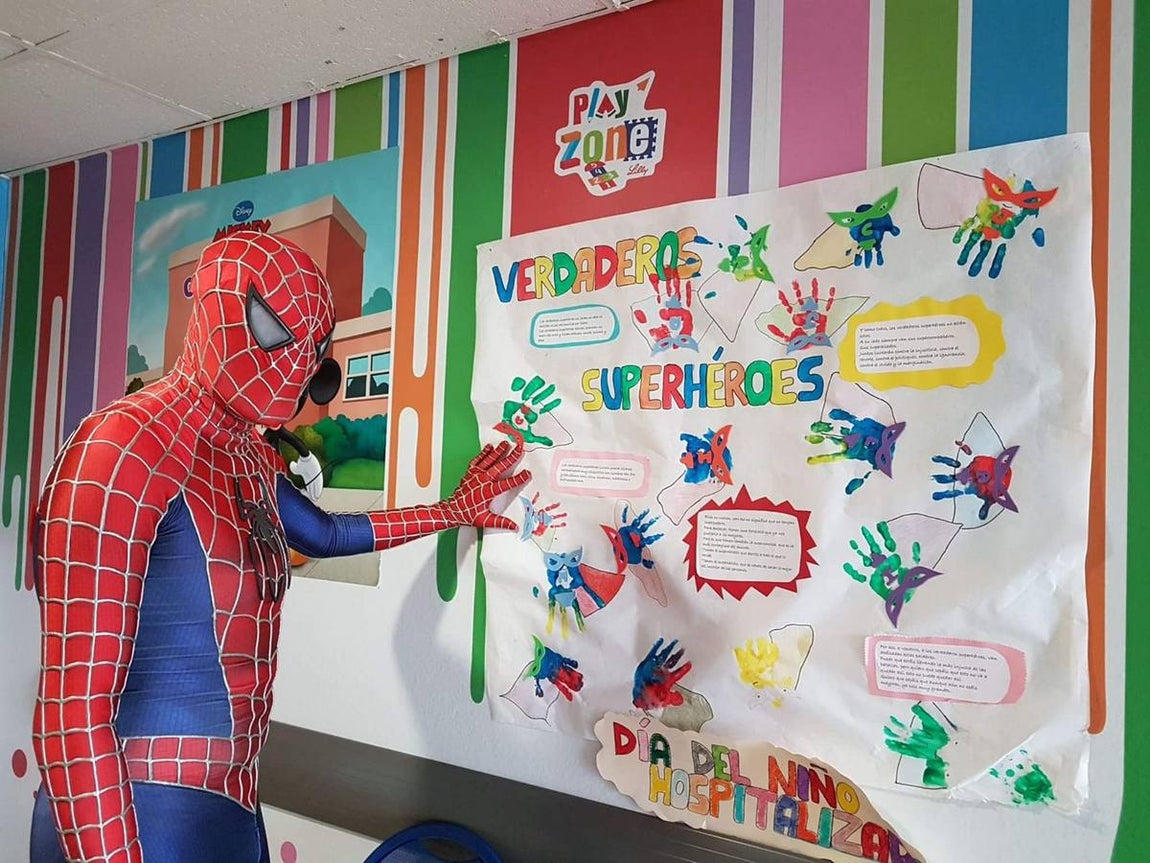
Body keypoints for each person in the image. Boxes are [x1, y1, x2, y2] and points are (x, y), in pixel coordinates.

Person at [29, 232, 529, 863]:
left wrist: (451, 513)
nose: (298, 370)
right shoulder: (124, 445)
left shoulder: (244, 453)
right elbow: (72, 711)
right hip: (127, 803)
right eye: (275, 333)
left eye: (314, 353)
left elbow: (327, 532)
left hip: (229, 795)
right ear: (214, 309)